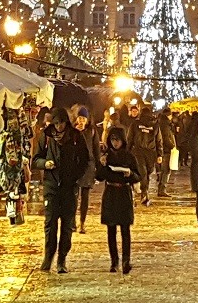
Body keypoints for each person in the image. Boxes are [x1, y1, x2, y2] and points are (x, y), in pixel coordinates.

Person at [35, 113, 89, 272]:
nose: (58, 127)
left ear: (66, 123)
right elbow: (36, 159)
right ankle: (48, 256)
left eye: (61, 123)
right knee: (50, 224)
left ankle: (62, 259)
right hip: (51, 186)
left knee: (67, 225)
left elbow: (84, 159)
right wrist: (45, 163)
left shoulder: (76, 137)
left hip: (69, 187)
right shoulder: (45, 137)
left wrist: (75, 176)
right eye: (56, 123)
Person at [95, 127, 139, 273]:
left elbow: (138, 176)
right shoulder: (106, 156)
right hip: (111, 193)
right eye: (112, 140)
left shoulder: (129, 156)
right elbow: (99, 177)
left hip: (124, 192)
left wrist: (130, 173)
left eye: (117, 140)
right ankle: (114, 261)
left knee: (125, 229)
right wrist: (101, 165)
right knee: (111, 229)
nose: (115, 143)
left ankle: (126, 260)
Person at [125, 100, 159, 205]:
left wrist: (127, 150)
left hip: (141, 151)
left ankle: (143, 191)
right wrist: (159, 154)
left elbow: (129, 138)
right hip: (146, 152)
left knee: (145, 173)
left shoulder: (138, 124)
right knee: (145, 172)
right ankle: (144, 193)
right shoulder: (152, 124)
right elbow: (159, 140)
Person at [71, 105, 99, 234]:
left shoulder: (92, 131)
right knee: (73, 196)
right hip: (75, 166)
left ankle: (82, 222)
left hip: (88, 166)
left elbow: (96, 150)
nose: (82, 121)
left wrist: (98, 168)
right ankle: (72, 222)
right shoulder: (71, 130)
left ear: (88, 120)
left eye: (84, 118)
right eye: (80, 118)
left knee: (85, 196)